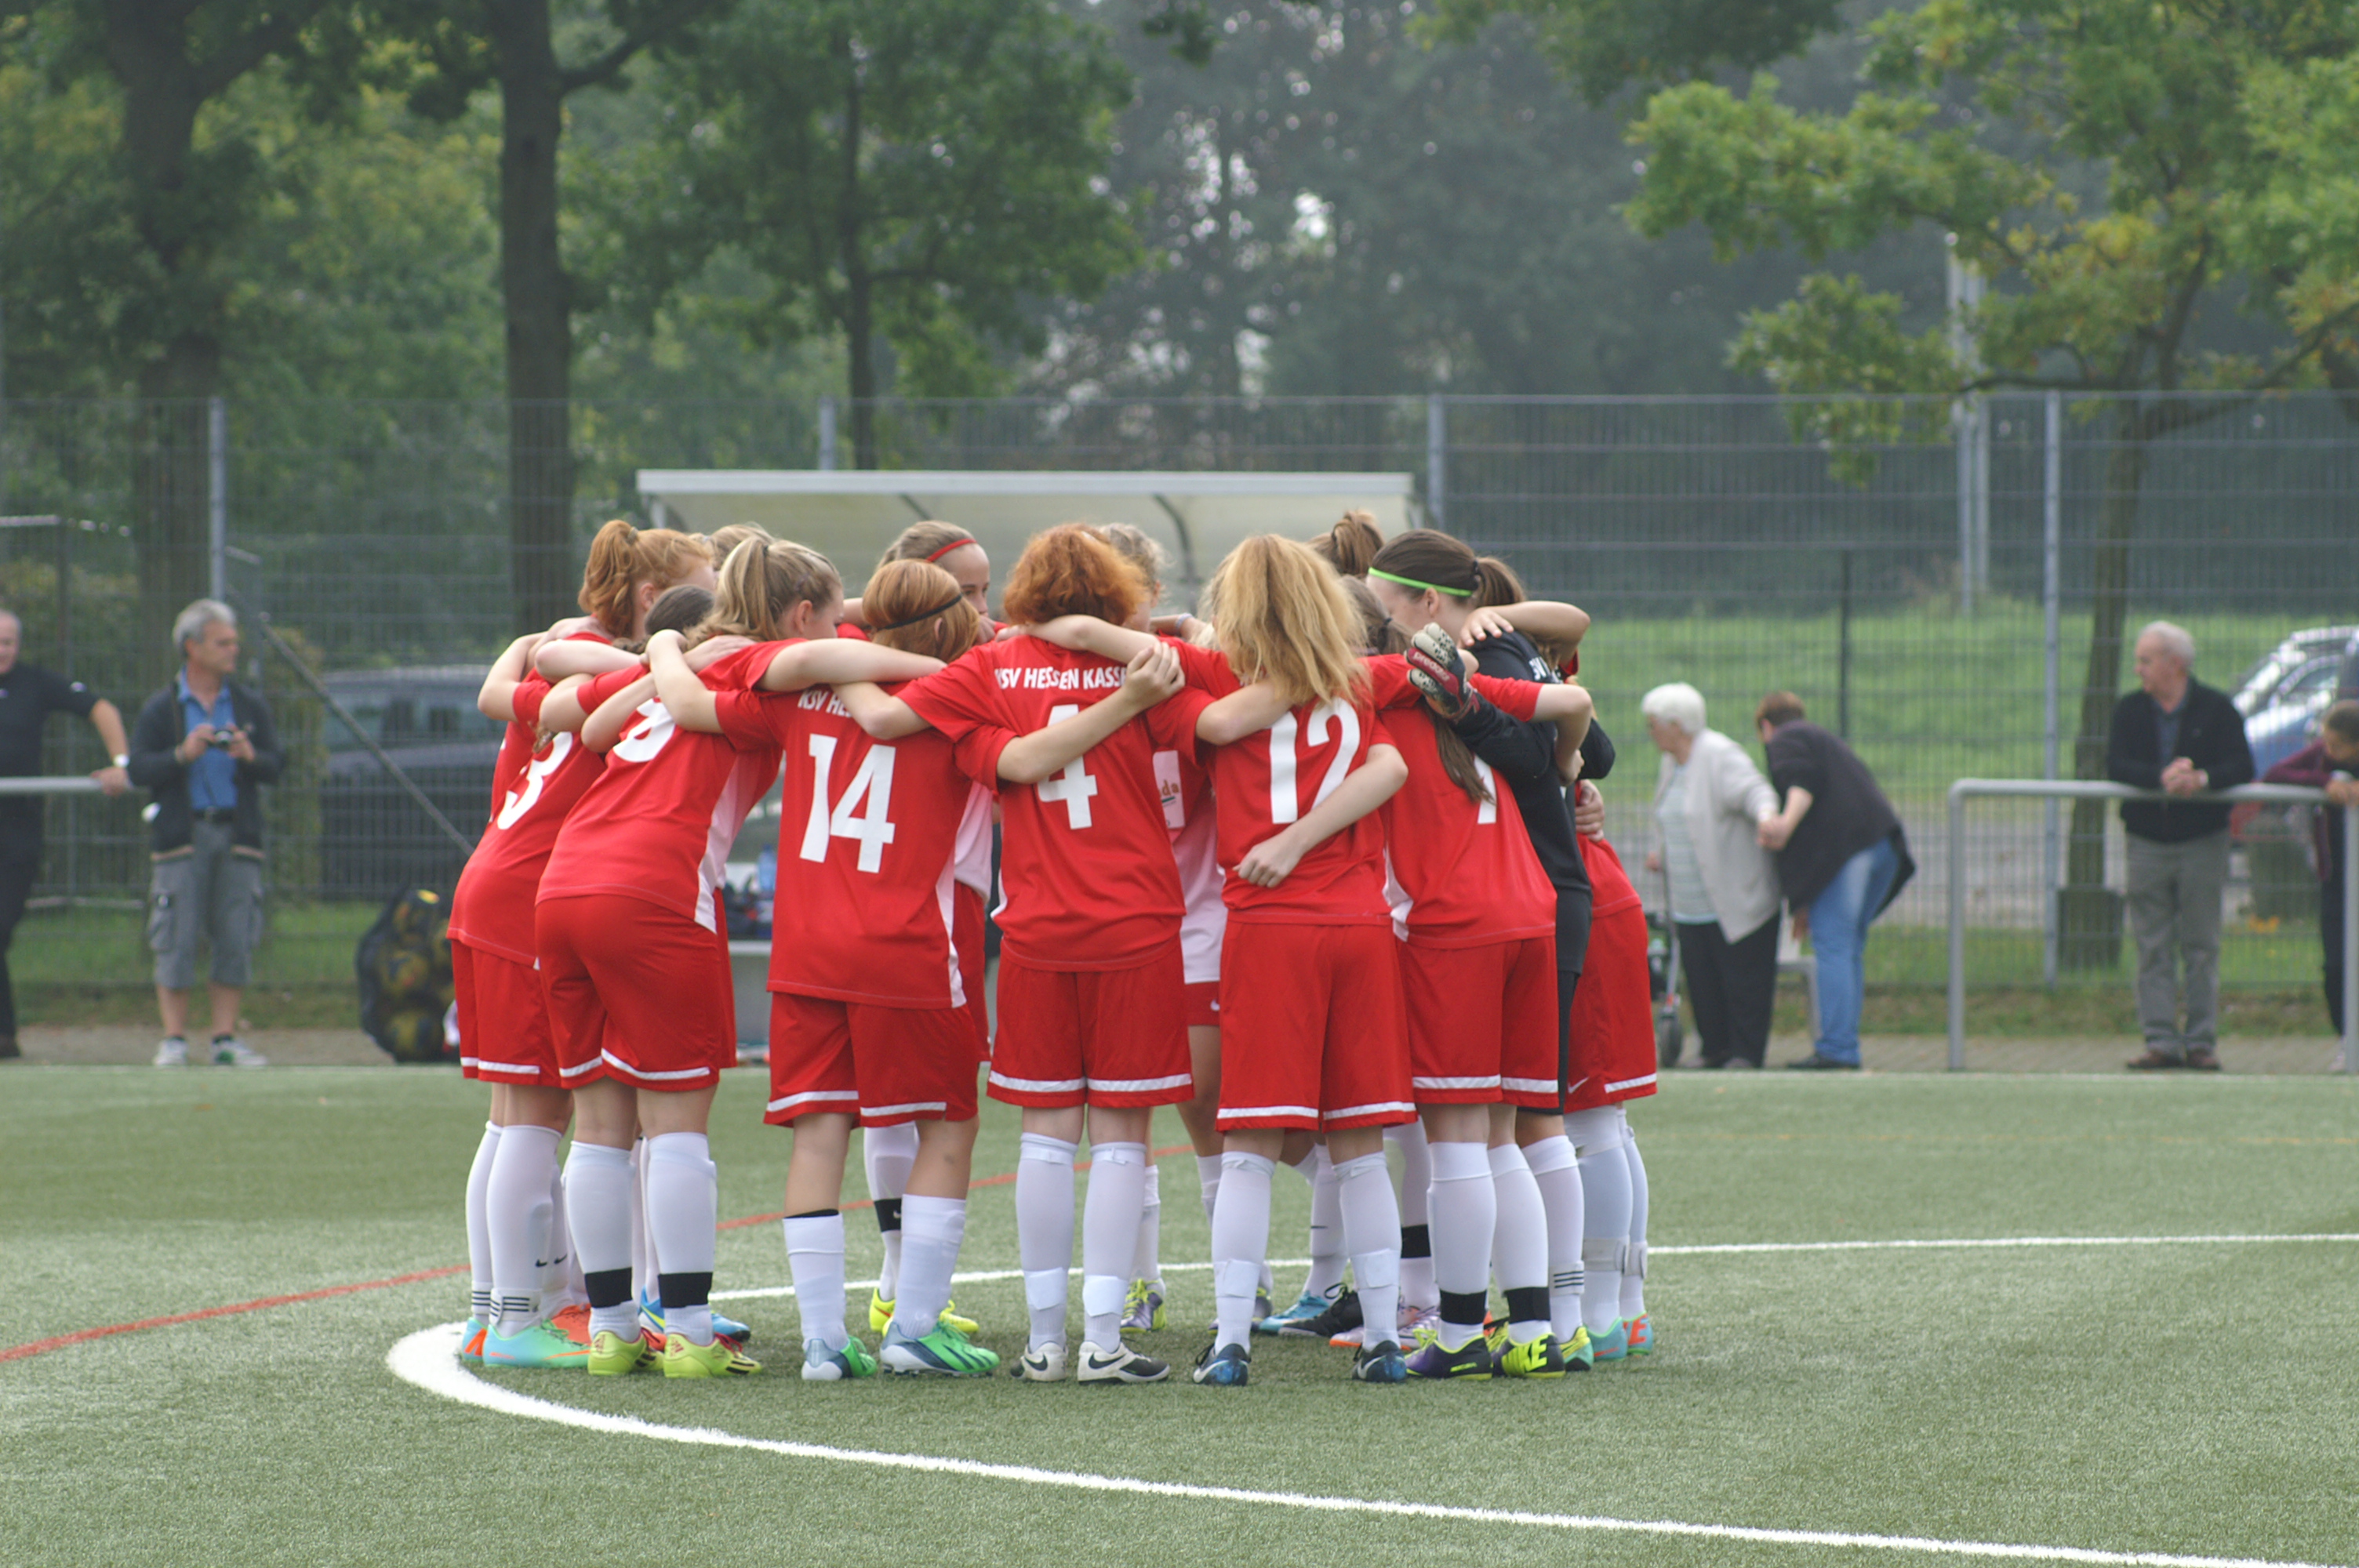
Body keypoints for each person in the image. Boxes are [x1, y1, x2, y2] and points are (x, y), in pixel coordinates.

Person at [536, 539, 941, 1381]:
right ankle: (684, 1328)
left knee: (603, 1124)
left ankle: (612, 1328)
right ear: (799, 617)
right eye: (828, 614)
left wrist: (661, 652)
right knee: (676, 1122)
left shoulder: (681, 658)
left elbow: (590, 720)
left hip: (564, 884)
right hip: (654, 890)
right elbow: (842, 653)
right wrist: (954, 657)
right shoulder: (766, 660)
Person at [837, 524, 1209, 1386]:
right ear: (1118, 595)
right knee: (1120, 1138)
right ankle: (1102, 1340)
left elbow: (900, 722)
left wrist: (840, 631)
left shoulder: (989, 667)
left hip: (1037, 925)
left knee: (1044, 1136)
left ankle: (1044, 1341)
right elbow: (1223, 717)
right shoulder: (1148, 664)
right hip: (1138, 924)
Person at [450, 520, 721, 1368]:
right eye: (703, 587)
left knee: (518, 1115)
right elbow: (544, 677)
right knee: (535, 1111)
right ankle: (517, 1317)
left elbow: (510, 683)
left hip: (511, 881)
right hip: (527, 890)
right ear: (654, 600)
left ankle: (502, 1307)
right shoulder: (606, 662)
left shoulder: (573, 650)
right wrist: (669, 656)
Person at [128, 600, 282, 1069]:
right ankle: (174, 1038)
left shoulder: (249, 704)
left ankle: (223, 1039)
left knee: (234, 934)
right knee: (176, 933)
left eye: (234, 641)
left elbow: (277, 765)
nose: (234, 650)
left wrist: (249, 755)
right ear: (192, 647)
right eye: (223, 642)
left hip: (237, 837)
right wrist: (181, 754)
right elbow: (138, 768)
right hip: (182, 838)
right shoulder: (162, 709)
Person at [2106, 621, 2255, 1071]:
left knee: (2201, 944)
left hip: (2202, 843)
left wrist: (2201, 780)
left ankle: (2201, 1042)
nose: (2138, 670)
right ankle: (2160, 1042)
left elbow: (2241, 764)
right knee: (2151, 945)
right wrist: (2161, 778)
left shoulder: (2217, 709)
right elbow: (2115, 763)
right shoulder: (2129, 710)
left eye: (2146, 661)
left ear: (2175, 664)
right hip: (2147, 843)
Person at [1754, 691, 1916, 1071]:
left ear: (1765, 726)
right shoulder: (1825, 740)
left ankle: (1838, 1049)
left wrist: (1783, 825)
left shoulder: (1787, 737)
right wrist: (1805, 901)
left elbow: (1800, 780)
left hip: (1849, 850)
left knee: (1834, 945)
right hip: (1883, 847)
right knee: (1848, 945)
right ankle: (1843, 1043)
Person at [0, 610, 130, 1060]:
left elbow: (101, 709)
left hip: (17, 829)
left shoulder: (35, 683)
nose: (3, 650)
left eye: (9, 641)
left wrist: (120, 764)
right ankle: (5, 1037)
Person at [1642, 682, 1780, 1069]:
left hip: (1733, 897)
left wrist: (1768, 819)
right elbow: (1674, 815)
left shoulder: (1718, 754)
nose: (1650, 731)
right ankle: (1714, 1049)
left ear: (1677, 725)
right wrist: (1663, 853)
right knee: (1703, 982)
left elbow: (1756, 793)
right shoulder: (1672, 762)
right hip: (1690, 903)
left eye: (1654, 724)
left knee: (1742, 981)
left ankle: (1745, 1054)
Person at [2260, 700, 2359, 1036]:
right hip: (2336, 881)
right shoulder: (2322, 758)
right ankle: (2346, 1040)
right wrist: (2324, 780)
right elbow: (2275, 774)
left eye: (2338, 746)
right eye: (2326, 742)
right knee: (2335, 965)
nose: (2329, 751)